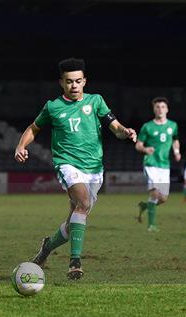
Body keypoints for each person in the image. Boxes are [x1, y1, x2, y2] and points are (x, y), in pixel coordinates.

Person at [14, 58, 137, 280]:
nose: (74, 86)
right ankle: (75, 262)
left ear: (84, 81)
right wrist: (21, 145)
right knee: (84, 203)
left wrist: (125, 132)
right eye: (69, 81)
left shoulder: (96, 101)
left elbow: (115, 127)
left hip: (94, 168)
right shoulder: (53, 107)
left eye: (78, 81)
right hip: (67, 163)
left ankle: (47, 247)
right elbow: (34, 128)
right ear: (61, 82)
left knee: (74, 222)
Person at [135, 97, 181, 232]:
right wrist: (145, 149)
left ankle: (145, 205)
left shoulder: (173, 125)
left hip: (164, 165)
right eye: (157, 107)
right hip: (151, 163)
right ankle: (151, 226)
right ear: (153, 109)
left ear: (167, 109)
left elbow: (175, 140)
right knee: (155, 194)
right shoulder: (147, 126)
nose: (160, 109)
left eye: (162, 107)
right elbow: (138, 145)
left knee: (163, 198)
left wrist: (177, 152)